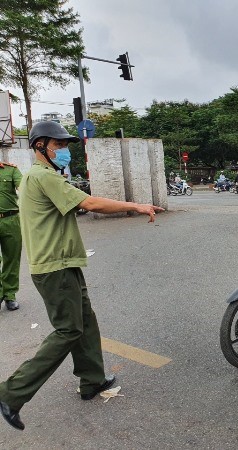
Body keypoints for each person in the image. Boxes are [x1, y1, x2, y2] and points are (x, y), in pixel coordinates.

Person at [0, 121, 164, 431]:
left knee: (85, 321)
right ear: (40, 147)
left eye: (64, 146)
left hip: (64, 262)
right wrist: (136, 205)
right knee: (68, 330)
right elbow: (89, 202)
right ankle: (11, 393)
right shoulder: (43, 176)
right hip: (54, 267)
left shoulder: (44, 176)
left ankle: (92, 380)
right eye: (57, 145)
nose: (63, 151)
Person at [0, 160, 22, 312]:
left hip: (11, 220)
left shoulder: (11, 170)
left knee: (12, 258)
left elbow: (24, 187)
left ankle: (10, 295)